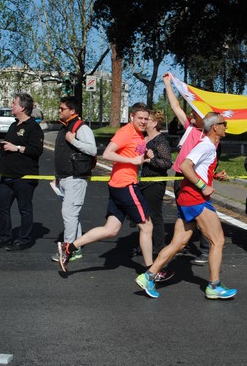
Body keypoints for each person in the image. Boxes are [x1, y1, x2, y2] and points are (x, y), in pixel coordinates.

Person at [56, 107, 172, 282]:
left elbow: (136, 154)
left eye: (145, 119)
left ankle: (69, 248)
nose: (142, 121)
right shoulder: (126, 132)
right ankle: (151, 271)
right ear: (131, 116)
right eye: (139, 118)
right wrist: (132, 160)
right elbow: (107, 153)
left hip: (118, 184)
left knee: (111, 230)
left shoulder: (140, 135)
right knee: (146, 227)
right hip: (125, 184)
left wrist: (146, 156)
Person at [135, 112, 237, 300]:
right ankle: (214, 286)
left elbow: (197, 168)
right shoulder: (206, 145)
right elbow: (185, 165)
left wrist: (213, 177)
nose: (226, 127)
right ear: (215, 127)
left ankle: (148, 276)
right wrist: (202, 186)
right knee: (218, 240)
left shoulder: (210, 146)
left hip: (187, 198)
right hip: (195, 199)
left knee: (178, 243)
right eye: (224, 124)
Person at [163, 72, 212, 264]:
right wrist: (168, 84)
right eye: (191, 113)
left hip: (195, 178)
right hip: (179, 176)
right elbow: (175, 105)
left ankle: (206, 248)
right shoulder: (190, 128)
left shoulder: (207, 138)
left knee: (200, 213)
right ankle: (180, 244)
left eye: (195, 114)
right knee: (183, 212)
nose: (191, 115)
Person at [0, 93, 44, 251]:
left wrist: (16, 148)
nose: (11, 105)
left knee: (24, 209)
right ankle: (5, 237)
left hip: (24, 176)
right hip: (7, 174)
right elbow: (11, 143)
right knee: (1, 206)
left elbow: (36, 150)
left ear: (22, 107)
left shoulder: (33, 127)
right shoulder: (14, 125)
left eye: (13, 103)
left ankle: (24, 240)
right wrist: (2, 145)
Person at [50, 96, 97, 263]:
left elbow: (92, 150)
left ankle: (67, 249)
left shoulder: (81, 128)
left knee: (69, 214)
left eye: (62, 108)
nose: (59, 111)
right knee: (72, 215)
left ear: (72, 111)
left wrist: (74, 141)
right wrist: (57, 177)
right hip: (64, 177)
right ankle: (75, 249)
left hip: (76, 178)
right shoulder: (65, 127)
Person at [138, 110, 173, 254]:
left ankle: (159, 248)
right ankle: (144, 245)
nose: (145, 122)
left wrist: (150, 160)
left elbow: (166, 163)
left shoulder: (160, 140)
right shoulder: (143, 138)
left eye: (148, 120)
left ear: (155, 123)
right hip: (142, 180)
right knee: (142, 215)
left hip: (155, 182)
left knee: (154, 214)